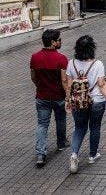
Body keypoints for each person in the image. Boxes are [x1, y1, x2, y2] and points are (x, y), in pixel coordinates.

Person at [65, 35, 106, 173]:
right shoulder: (98, 64)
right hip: (97, 101)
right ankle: (92, 155)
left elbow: (69, 86)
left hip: (78, 101)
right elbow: (102, 84)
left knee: (79, 127)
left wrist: (67, 101)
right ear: (92, 48)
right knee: (95, 126)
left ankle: (74, 154)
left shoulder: (71, 63)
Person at [30, 29, 69, 167]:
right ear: (52, 42)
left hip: (42, 96)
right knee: (60, 120)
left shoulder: (35, 57)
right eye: (59, 40)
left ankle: (41, 154)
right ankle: (61, 143)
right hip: (58, 96)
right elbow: (64, 81)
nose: (60, 41)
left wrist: (40, 86)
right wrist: (68, 97)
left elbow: (33, 77)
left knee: (42, 124)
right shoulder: (62, 58)